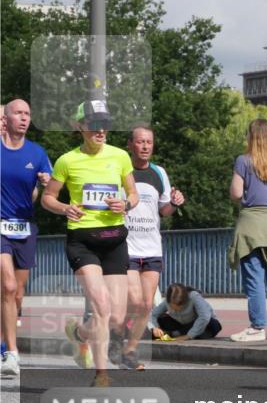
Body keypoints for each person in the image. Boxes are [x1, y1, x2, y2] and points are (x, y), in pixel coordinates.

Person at [42, 100, 139, 386]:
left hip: (114, 241)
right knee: (101, 305)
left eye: (105, 124)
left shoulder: (120, 156)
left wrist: (126, 204)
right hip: (82, 241)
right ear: (80, 126)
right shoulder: (67, 160)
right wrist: (64, 209)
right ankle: (101, 375)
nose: (101, 130)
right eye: (95, 124)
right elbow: (48, 198)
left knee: (116, 317)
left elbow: (133, 194)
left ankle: (80, 333)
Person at [119, 127, 185, 368]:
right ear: (130, 145)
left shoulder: (159, 172)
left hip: (152, 247)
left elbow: (163, 209)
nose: (145, 146)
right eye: (140, 142)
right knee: (135, 301)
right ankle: (109, 329)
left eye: (149, 142)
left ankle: (130, 351)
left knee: (147, 304)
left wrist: (175, 204)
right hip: (126, 246)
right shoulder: (121, 170)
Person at [227, 119, 267, 342]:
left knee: (254, 278)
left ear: (251, 137)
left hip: (251, 225)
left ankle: (257, 327)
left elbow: (236, 193)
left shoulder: (243, 161)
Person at [1, 100, 52, 376]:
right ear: (5, 118)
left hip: (24, 228)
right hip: (0, 228)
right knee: (7, 287)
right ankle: (11, 354)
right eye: (18, 113)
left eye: (27, 114)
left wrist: (45, 185)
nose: (24, 118)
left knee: (17, 295)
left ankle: (1, 342)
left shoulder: (37, 152)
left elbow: (46, 195)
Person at [149, 283, 221, 341]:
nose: (176, 310)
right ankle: (174, 333)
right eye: (172, 306)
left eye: (179, 306)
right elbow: (153, 314)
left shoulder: (194, 296)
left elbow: (205, 317)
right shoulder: (167, 301)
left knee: (209, 324)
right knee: (160, 320)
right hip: (181, 324)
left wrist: (188, 336)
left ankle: (176, 334)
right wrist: (156, 327)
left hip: (201, 325)